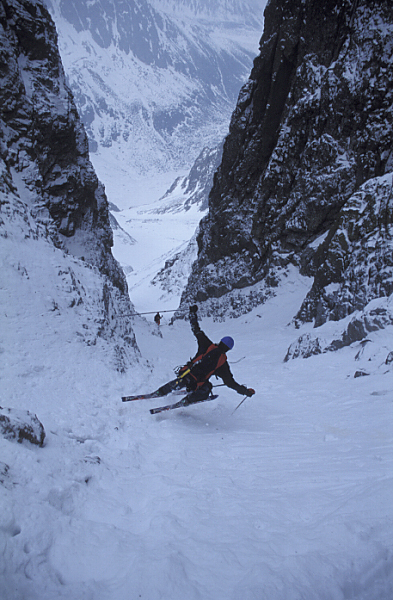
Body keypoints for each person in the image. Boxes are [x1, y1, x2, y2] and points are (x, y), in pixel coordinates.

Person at [154, 305, 255, 405]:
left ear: (220, 341)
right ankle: (188, 400)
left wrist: (192, 313)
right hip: (197, 383)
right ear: (228, 349)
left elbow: (196, 329)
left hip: (186, 373)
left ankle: (161, 391)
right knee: (207, 388)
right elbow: (230, 383)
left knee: (181, 380)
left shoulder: (206, 344)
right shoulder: (222, 363)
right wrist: (245, 391)